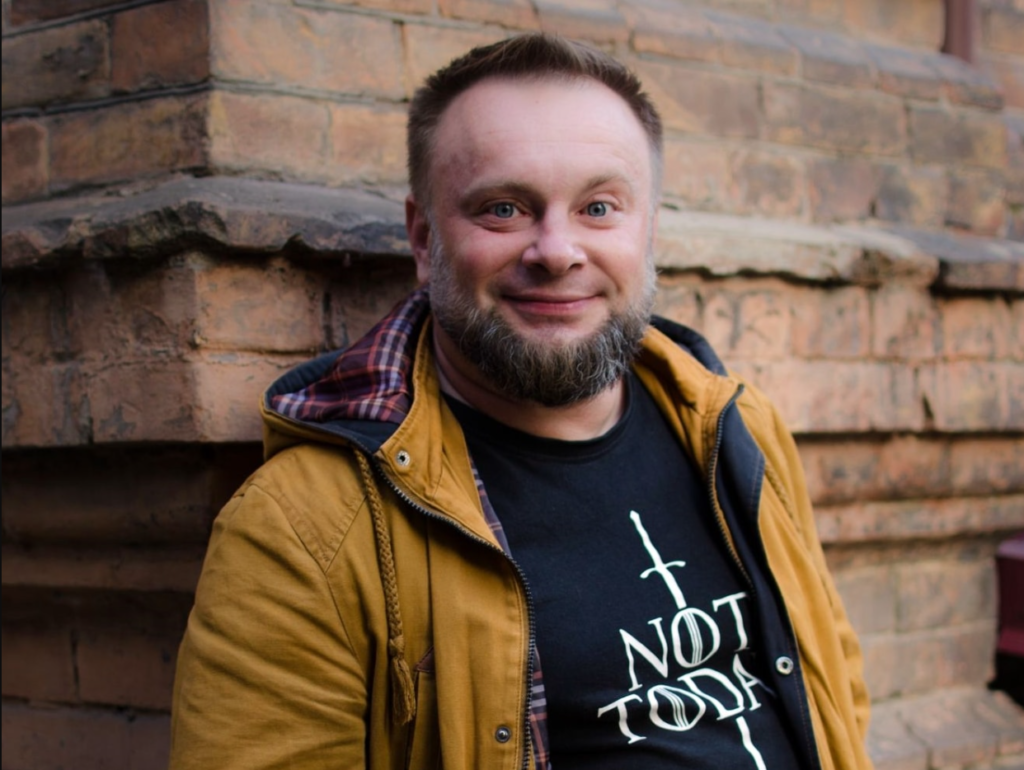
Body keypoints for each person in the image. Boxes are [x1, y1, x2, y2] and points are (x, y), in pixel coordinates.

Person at [169, 33, 873, 770]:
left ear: (649, 232)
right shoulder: (302, 530)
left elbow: (835, 687)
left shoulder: (737, 429)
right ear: (423, 239)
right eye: (504, 209)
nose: (557, 251)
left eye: (599, 207)